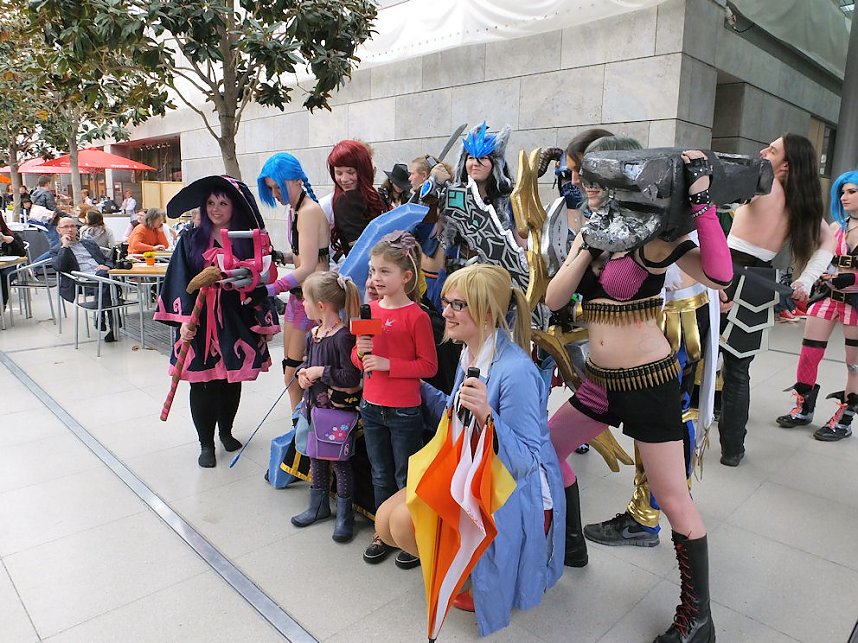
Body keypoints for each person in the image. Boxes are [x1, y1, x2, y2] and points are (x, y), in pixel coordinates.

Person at [545, 142, 732, 643]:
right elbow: (553, 298)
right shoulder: (592, 233)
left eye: (596, 180)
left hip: (648, 382)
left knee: (671, 498)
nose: (587, 188)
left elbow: (720, 274)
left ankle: (698, 618)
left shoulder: (655, 240)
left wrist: (702, 204)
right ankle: (571, 545)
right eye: (582, 179)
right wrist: (585, 245)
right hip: (601, 382)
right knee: (548, 447)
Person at [374, 264, 564, 637]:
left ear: (488, 312)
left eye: (457, 305)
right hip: (469, 471)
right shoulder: (469, 354)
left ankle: (469, 572)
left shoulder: (516, 372)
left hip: (511, 493)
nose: (445, 312)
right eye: (446, 302)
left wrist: (489, 416)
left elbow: (525, 459)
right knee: (384, 520)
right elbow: (457, 414)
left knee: (401, 522)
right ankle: (461, 568)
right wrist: (406, 381)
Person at [719, 134, 834, 466]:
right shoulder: (802, 202)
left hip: (723, 276)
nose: (762, 151)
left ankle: (689, 435)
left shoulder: (761, 182)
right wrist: (806, 280)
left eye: (771, 149)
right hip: (759, 282)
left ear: (785, 164)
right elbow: (827, 243)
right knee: (738, 370)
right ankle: (732, 450)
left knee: (698, 358)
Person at [154, 176, 280, 468]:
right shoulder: (189, 239)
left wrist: (263, 317)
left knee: (229, 381)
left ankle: (226, 432)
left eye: (223, 203)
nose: (216, 209)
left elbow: (261, 280)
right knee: (202, 384)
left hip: (235, 321)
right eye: (210, 203)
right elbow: (179, 280)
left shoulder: (247, 240)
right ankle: (205, 443)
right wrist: (184, 321)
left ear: (233, 206)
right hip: (199, 322)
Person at [351, 231, 437, 567]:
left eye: (384, 271)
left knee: (405, 475)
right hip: (371, 406)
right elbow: (359, 360)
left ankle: (407, 531)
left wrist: (389, 365)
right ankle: (381, 530)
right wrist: (361, 354)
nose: (376, 278)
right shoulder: (367, 310)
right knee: (379, 472)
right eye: (373, 271)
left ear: (406, 276)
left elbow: (428, 366)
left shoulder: (416, 316)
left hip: (404, 410)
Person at [776, 169, 858, 442]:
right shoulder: (837, 227)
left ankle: (844, 420)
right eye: (842, 192)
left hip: (856, 303)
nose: (844, 197)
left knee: (854, 365)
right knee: (809, 353)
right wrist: (806, 282)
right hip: (828, 298)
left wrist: (852, 277)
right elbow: (822, 259)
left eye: (852, 191)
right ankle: (803, 407)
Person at [290, 271, 363, 541]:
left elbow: (351, 376)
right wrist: (302, 373)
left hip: (336, 414)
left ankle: (345, 516)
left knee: (340, 463)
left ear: (321, 306)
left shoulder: (343, 337)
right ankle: (317, 506)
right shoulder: (314, 334)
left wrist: (321, 372)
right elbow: (307, 362)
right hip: (313, 410)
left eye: (305, 301)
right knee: (316, 457)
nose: (303, 306)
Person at [258, 152, 331, 418]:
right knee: (291, 369)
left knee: (295, 372)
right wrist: (280, 257)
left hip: (314, 302)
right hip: (301, 299)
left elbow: (309, 267)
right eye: (271, 188)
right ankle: (299, 427)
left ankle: (300, 430)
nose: (275, 193)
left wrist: (271, 288)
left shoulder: (309, 211)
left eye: (278, 186)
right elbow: (304, 257)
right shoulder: (296, 210)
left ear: (296, 180)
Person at [50, 216, 120, 341]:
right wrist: (65, 246)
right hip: (82, 280)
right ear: (58, 230)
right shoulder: (57, 249)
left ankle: (102, 316)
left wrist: (106, 266)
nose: (70, 229)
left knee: (105, 278)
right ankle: (109, 320)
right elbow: (59, 267)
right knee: (109, 282)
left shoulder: (88, 243)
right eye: (65, 227)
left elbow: (107, 260)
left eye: (73, 226)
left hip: (100, 276)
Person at [326, 139, 386, 256]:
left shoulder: (367, 197)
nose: (344, 179)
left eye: (350, 172)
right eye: (339, 173)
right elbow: (360, 252)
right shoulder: (346, 200)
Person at [0, 216, 27, 309]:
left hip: (9, 265)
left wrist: (12, 242)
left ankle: (2, 305)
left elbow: (22, 254)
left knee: (3, 276)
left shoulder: (11, 235)